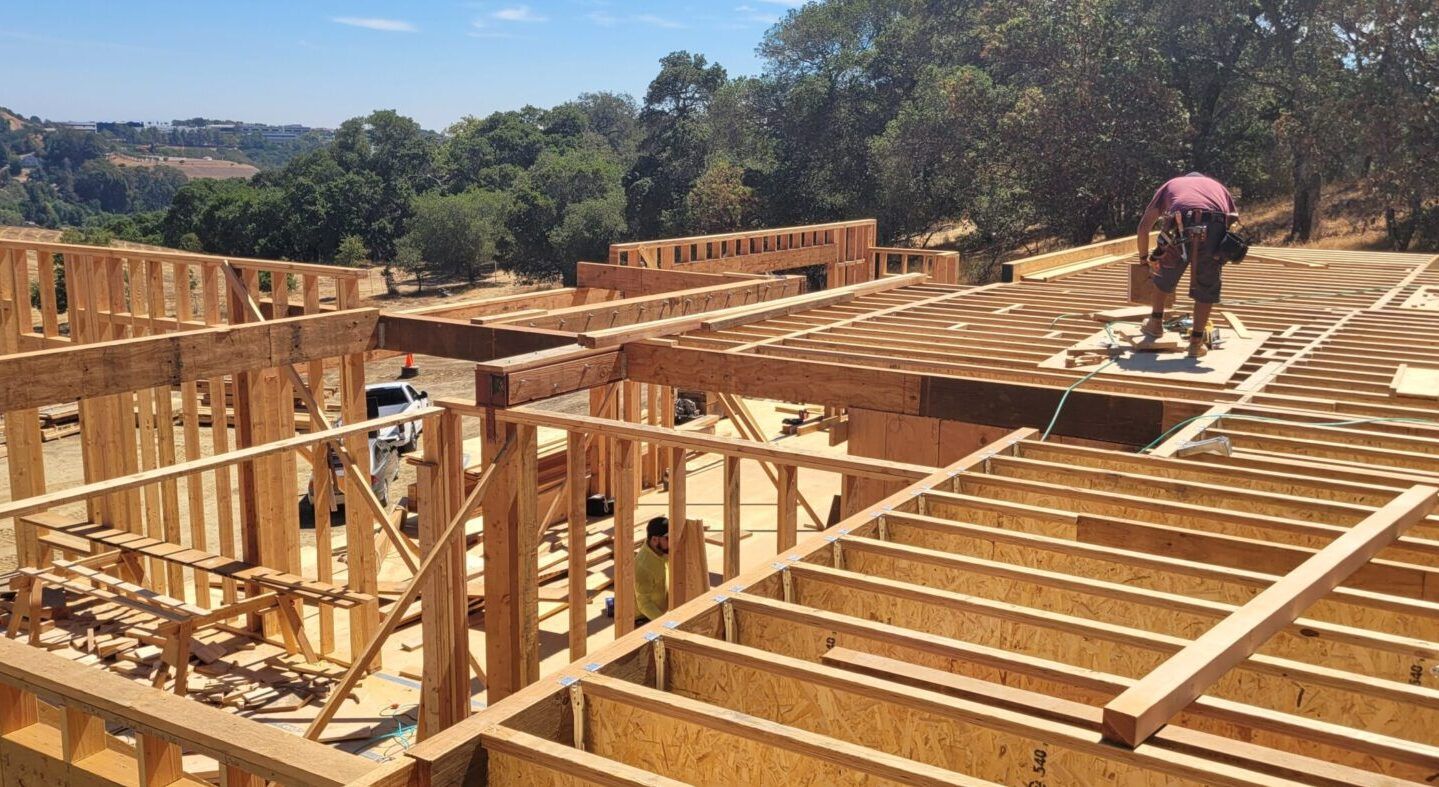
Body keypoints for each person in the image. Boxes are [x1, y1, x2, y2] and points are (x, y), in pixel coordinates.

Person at [1136, 172, 1239, 358]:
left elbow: (1144, 226)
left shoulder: (1170, 184)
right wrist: (1213, 248)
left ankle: (1155, 324)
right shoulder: (1219, 187)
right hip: (1214, 224)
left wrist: (1145, 259)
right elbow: (1232, 219)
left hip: (1180, 222)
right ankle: (1195, 344)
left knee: (1163, 271)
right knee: (1206, 285)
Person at [633, 516, 669, 627]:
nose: (671, 541)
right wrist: (665, 623)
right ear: (654, 540)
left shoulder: (661, 550)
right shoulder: (643, 567)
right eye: (667, 538)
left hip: (661, 613)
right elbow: (644, 604)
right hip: (645, 618)